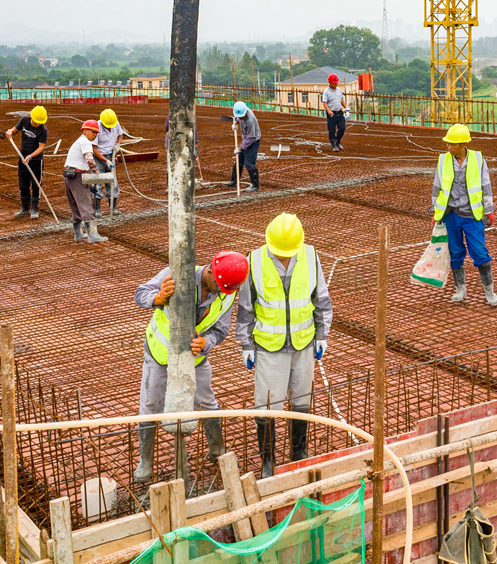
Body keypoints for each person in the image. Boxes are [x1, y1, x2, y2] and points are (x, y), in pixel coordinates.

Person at [131, 251, 250, 481]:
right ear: (209, 272)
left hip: (195, 359)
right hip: (160, 354)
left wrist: (206, 342)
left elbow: (220, 331)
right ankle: (145, 462)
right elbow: (140, 294)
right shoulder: (176, 274)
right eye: (219, 286)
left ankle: (217, 449)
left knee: (207, 402)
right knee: (150, 405)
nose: (221, 292)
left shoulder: (226, 293)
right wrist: (158, 298)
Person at [235, 213, 332, 477]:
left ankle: (299, 451)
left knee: (302, 401)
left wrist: (322, 334)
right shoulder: (254, 261)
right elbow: (246, 308)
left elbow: (321, 299)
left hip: (303, 344)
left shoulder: (310, 257)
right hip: (269, 348)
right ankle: (268, 461)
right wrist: (246, 344)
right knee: (267, 407)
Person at [432, 124, 497, 306]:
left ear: (463, 144)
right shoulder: (443, 160)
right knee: (455, 252)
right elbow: (437, 187)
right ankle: (460, 289)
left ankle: (489, 292)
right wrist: (436, 211)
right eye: (448, 144)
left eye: (452, 144)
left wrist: (489, 209)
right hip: (451, 215)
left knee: (479, 253)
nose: (448, 147)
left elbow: (486, 185)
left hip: (472, 215)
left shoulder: (477, 159)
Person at [63, 120, 107, 243]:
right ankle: (92, 235)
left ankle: (78, 234)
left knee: (75, 205)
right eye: (93, 132)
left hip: (69, 175)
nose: (95, 135)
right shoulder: (85, 142)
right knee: (86, 204)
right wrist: (97, 175)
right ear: (85, 130)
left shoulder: (79, 142)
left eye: (96, 133)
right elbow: (90, 160)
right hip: (77, 175)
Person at [5, 106, 48, 219]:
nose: (37, 124)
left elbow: (41, 147)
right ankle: (25, 208)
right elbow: (15, 130)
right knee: (23, 184)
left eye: (39, 123)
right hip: (22, 158)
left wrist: (31, 156)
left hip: (36, 161)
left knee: (36, 184)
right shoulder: (24, 121)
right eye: (35, 122)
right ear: (31, 117)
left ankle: (35, 209)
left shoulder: (43, 130)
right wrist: (10, 131)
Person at [92, 108, 124, 216]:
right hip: (98, 157)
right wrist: (105, 160)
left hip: (111, 155)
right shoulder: (97, 127)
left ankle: (113, 208)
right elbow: (94, 148)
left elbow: (120, 134)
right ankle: (97, 209)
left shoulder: (115, 123)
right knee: (97, 182)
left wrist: (118, 144)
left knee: (112, 182)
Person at [225, 101, 261, 193]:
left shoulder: (250, 120)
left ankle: (255, 184)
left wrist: (240, 148)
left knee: (249, 163)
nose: (240, 118)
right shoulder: (241, 112)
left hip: (253, 142)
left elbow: (250, 138)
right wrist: (236, 122)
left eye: (241, 116)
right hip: (246, 139)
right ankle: (234, 181)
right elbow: (238, 117)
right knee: (238, 160)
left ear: (245, 112)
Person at [322, 73, 349, 152]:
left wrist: (346, 108)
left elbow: (341, 99)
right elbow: (324, 102)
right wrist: (329, 111)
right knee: (332, 130)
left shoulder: (338, 90)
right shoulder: (326, 92)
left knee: (342, 127)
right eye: (335, 83)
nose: (336, 84)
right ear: (330, 83)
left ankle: (338, 142)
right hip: (332, 114)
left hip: (339, 113)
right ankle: (334, 145)